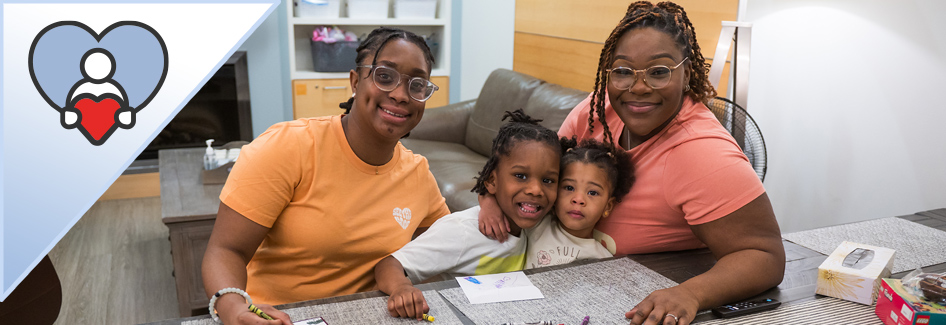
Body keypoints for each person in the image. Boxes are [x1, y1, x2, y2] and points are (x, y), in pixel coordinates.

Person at [479, 2, 785, 325]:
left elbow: (766, 256)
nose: (638, 87)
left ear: (688, 72)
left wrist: (690, 293)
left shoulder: (704, 153)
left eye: (659, 72)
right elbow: (537, 173)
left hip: (628, 297)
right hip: (559, 281)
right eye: (623, 72)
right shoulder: (597, 110)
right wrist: (490, 196)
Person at [201, 27, 450, 325]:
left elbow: (449, 244)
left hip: (370, 315)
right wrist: (233, 309)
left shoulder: (417, 172)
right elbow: (226, 250)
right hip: (278, 317)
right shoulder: (287, 147)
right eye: (385, 76)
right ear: (356, 81)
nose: (400, 94)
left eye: (417, 85)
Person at [375, 110, 562, 320]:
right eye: (521, 176)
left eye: (548, 180)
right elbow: (388, 265)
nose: (536, 190)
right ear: (491, 181)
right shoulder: (463, 231)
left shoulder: (538, 224)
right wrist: (401, 288)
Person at [526, 138, 634, 269]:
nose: (578, 199)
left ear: (608, 206)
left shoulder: (603, 260)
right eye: (569, 188)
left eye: (592, 193)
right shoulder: (535, 224)